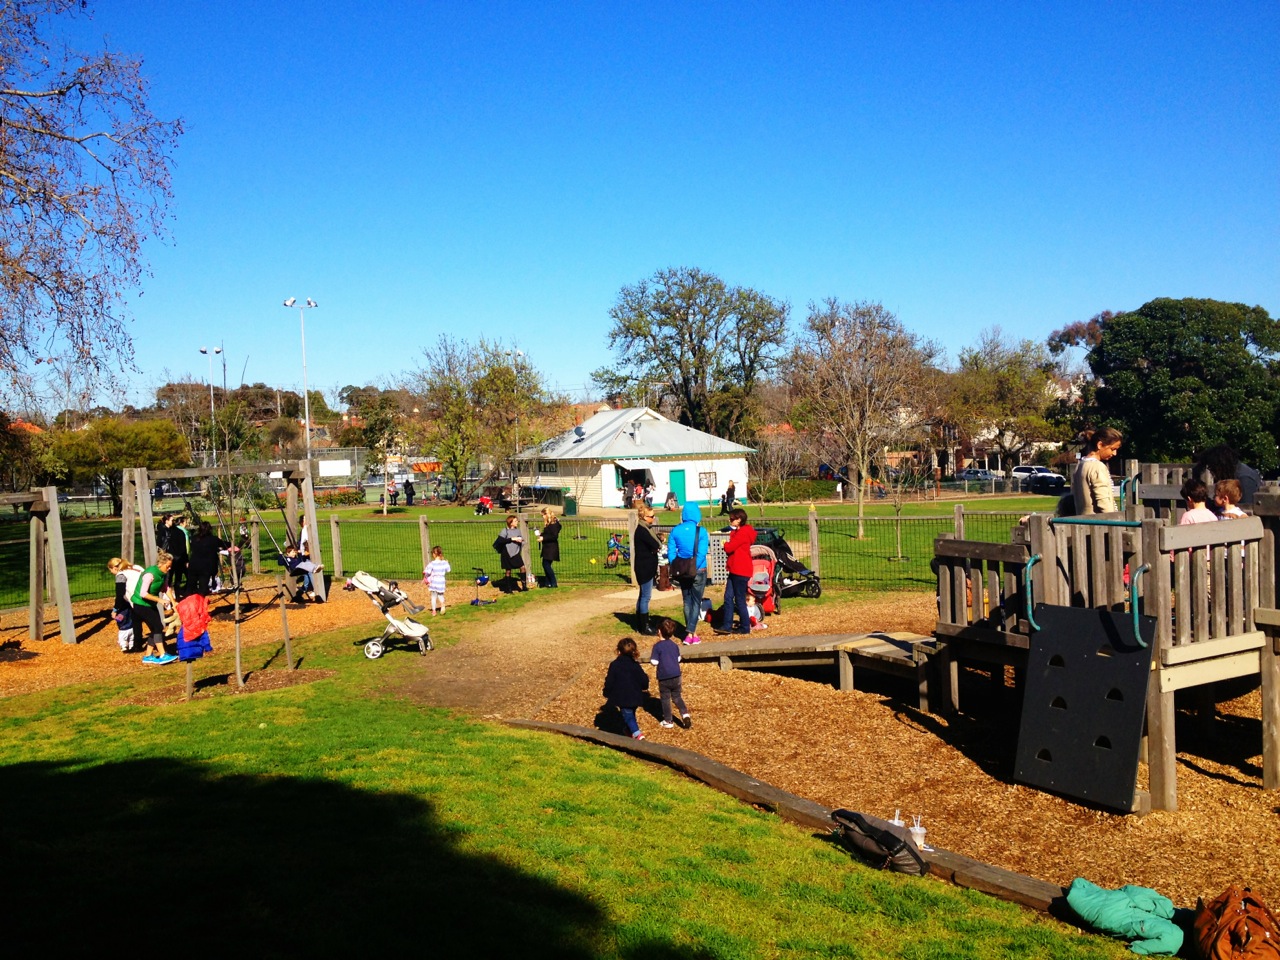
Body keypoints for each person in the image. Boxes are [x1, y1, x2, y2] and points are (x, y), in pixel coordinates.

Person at [668, 502, 708, 643]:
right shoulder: (701, 531)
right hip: (699, 569)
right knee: (697, 601)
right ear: (697, 515)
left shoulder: (675, 531)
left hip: (682, 569)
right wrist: (694, 567)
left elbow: (671, 552)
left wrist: (676, 564)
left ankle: (691, 634)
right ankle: (691, 632)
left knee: (687, 601)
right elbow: (702, 552)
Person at [131, 551, 177, 664]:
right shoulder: (149, 574)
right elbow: (143, 593)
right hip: (140, 604)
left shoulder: (163, 574)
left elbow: (166, 588)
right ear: (161, 564)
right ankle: (162, 655)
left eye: (171, 566)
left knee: (156, 628)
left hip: (150, 604)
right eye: (168, 566)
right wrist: (160, 600)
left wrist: (173, 602)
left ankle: (148, 656)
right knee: (157, 627)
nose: (169, 568)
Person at [717, 507, 756, 635]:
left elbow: (729, 548)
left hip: (741, 570)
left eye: (733, 518)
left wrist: (725, 544)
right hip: (734, 569)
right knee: (728, 597)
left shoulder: (743, 533)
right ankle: (727, 625)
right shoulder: (738, 532)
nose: (730, 520)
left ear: (739, 520)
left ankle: (745, 627)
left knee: (739, 599)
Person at [602, 636, 650, 740]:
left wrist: (607, 691)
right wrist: (644, 687)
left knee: (628, 715)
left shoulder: (615, 665)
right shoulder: (635, 665)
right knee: (630, 714)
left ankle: (638, 735)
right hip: (636, 696)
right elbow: (644, 680)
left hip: (622, 697)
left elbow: (610, 681)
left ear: (618, 651)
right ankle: (629, 731)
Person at [648, 618, 691, 729]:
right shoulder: (674, 645)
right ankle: (685, 714)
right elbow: (678, 659)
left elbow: (654, 662)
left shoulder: (657, 646)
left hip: (664, 677)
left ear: (659, 631)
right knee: (677, 696)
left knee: (665, 699)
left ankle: (668, 720)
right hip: (677, 675)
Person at [1071, 427, 1123, 515]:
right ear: (1100, 445)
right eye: (1113, 449)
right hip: (1098, 523)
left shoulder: (1080, 465)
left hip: (1082, 521)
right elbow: (1103, 502)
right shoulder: (1097, 467)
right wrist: (1115, 521)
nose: (1115, 454)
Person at [1196, 445, 1263, 506]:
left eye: (1212, 468)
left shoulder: (1244, 479)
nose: (1212, 472)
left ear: (1220, 465)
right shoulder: (1234, 474)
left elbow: (1246, 508)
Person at [633, 505, 662, 635]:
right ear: (644, 517)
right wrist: (656, 546)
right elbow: (655, 544)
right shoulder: (642, 530)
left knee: (642, 595)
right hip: (645, 568)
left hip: (644, 566)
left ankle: (640, 622)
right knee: (646, 596)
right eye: (651, 516)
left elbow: (653, 544)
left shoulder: (644, 529)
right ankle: (644, 626)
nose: (653, 518)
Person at [107, 557, 144, 653]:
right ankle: (136, 644)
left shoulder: (121, 575)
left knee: (138, 622)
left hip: (136, 599)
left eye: (111, 570)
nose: (112, 573)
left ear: (114, 568)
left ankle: (137, 645)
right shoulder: (136, 567)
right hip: (147, 595)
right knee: (140, 621)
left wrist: (115, 609)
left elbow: (120, 594)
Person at [186, 521, 230, 596]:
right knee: (202, 588)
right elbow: (225, 544)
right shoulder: (213, 539)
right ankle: (200, 603)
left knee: (190, 586)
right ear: (210, 529)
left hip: (194, 565)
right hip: (205, 567)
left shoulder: (194, 538)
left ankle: (189, 603)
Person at [498, 514, 527, 590]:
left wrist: (521, 540)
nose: (517, 522)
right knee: (508, 570)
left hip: (516, 552)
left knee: (522, 567)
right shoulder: (505, 531)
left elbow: (521, 539)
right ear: (511, 522)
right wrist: (512, 539)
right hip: (506, 552)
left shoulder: (518, 530)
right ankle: (508, 588)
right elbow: (500, 540)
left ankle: (524, 586)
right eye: (515, 521)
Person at [536, 507, 561, 588]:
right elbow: (549, 533)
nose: (543, 517)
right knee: (546, 564)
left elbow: (554, 536)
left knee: (546, 564)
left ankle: (553, 582)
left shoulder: (553, 523)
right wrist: (541, 534)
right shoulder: (550, 523)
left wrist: (543, 538)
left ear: (547, 514)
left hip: (551, 547)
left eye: (543, 515)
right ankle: (548, 583)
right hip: (548, 547)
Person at [423, 545, 451, 615]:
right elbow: (448, 570)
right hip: (441, 580)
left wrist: (426, 577)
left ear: (434, 554)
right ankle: (442, 605)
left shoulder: (432, 564)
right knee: (440, 595)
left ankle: (434, 611)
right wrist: (447, 562)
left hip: (434, 581)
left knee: (433, 596)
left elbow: (427, 572)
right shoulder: (444, 563)